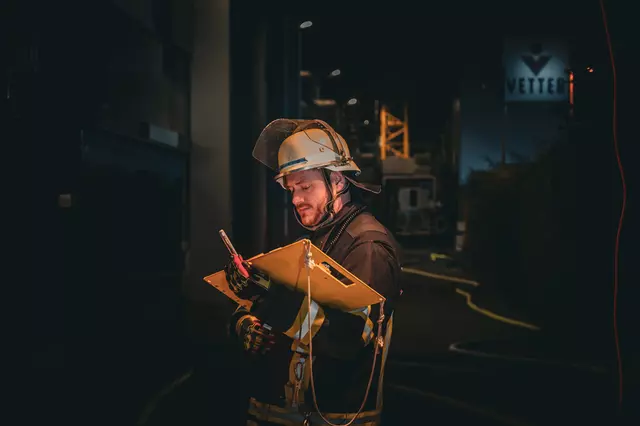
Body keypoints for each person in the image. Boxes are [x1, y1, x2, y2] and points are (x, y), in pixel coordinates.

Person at [225, 119, 402, 425]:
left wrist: (269, 297)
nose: (295, 199)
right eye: (292, 189)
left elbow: (349, 336)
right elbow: (276, 308)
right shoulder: (312, 241)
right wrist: (246, 322)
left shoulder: (367, 246)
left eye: (305, 186)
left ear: (338, 181)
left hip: (333, 417)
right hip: (284, 414)